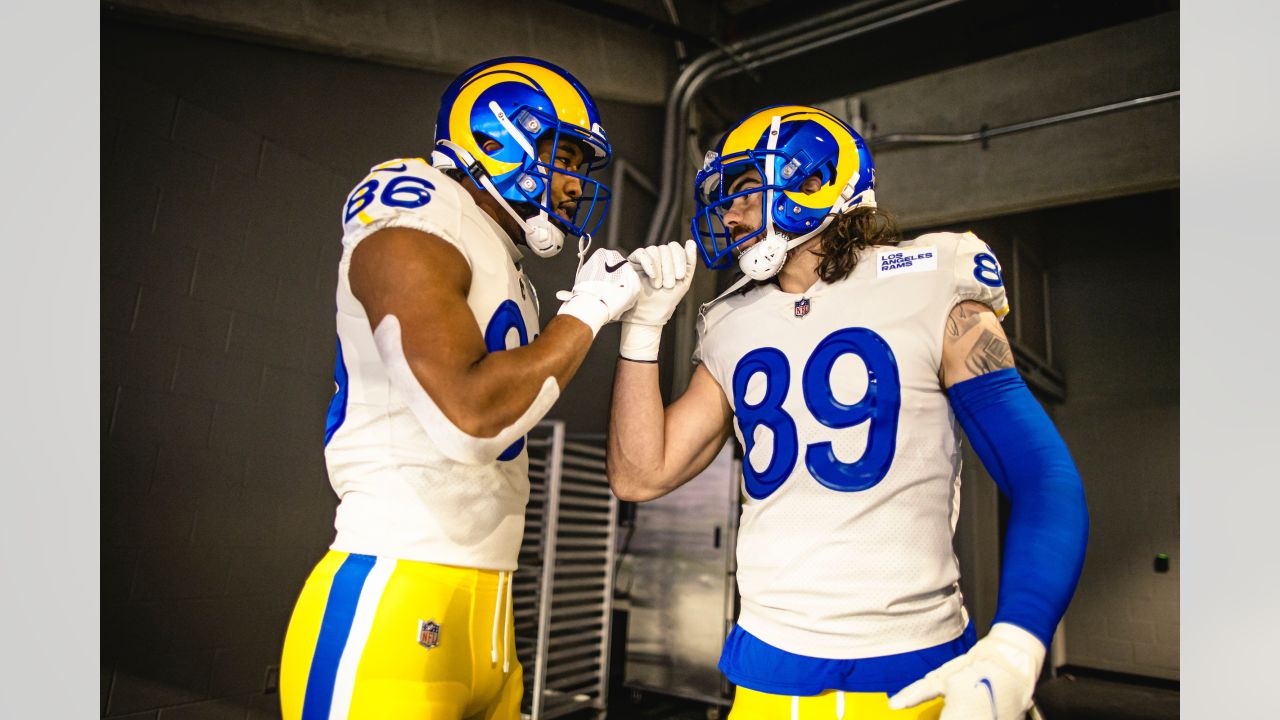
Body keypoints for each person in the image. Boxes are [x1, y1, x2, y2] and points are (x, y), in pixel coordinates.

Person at [607, 105, 1089, 720]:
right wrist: (641, 334)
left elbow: (1042, 476)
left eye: (745, 190)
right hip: (766, 672)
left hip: (913, 672)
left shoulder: (929, 278)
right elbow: (639, 474)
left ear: (815, 182)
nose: (728, 213)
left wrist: (1019, 644)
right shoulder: (730, 323)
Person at [279, 57, 642, 720]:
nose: (573, 186)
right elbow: (468, 418)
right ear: (502, 137)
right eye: (564, 157)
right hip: (396, 590)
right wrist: (587, 313)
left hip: (491, 611)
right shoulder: (417, 208)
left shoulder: (501, 255)